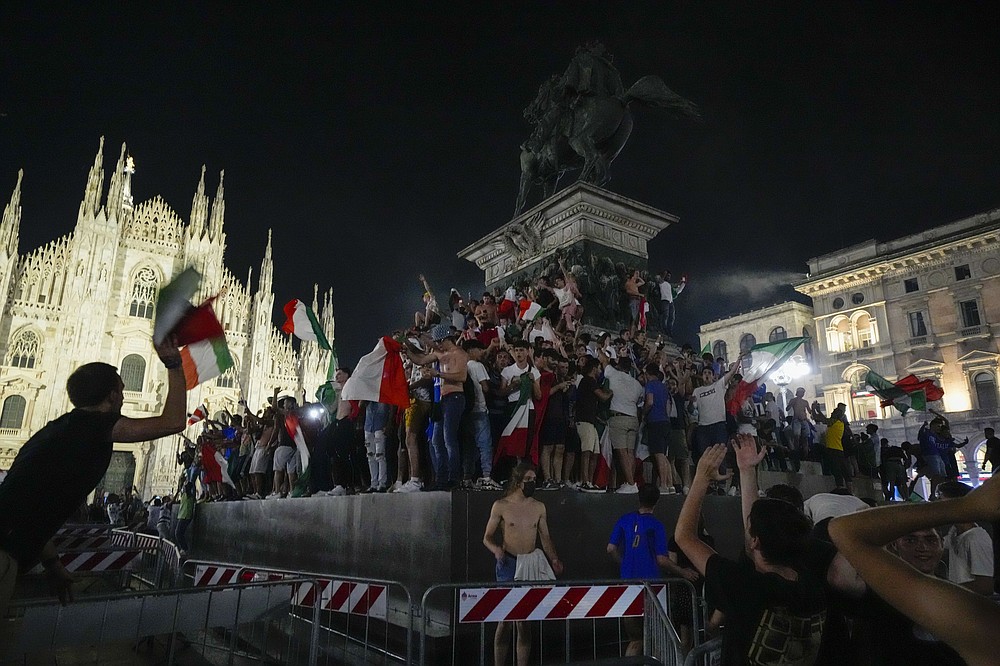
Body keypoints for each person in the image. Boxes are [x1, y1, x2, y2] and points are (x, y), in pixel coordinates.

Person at [0, 337, 187, 614]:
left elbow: (32, 505)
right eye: (122, 390)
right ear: (111, 396)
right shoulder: (93, 427)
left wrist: (52, 563)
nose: (124, 396)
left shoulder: (57, 430)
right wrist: (173, 363)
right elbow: (173, 422)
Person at [676, 443, 827, 665]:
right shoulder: (813, 582)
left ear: (755, 541)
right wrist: (747, 471)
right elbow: (756, 539)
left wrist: (700, 478)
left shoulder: (744, 586)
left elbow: (684, 537)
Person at [829, 473, 1000, 666]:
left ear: (941, 545)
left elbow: (847, 531)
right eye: (910, 540)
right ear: (894, 545)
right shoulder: (883, 591)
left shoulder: (963, 607)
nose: (922, 548)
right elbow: (841, 572)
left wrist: (966, 506)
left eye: (930, 540)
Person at [482, 463, 563, 666]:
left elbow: (545, 537)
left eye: (534, 479)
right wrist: (496, 550)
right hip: (508, 563)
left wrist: (554, 559)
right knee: (505, 620)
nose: (532, 483)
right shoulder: (501, 506)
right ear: (518, 481)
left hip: (529, 564)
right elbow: (487, 537)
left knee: (524, 621)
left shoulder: (538, 507)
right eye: (528, 480)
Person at [607, 484, 698, 656]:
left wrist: (624, 563)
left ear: (638, 498)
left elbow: (611, 548)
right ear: (657, 501)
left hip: (627, 586)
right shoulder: (656, 526)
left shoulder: (624, 519)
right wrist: (683, 572)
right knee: (656, 637)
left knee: (635, 640)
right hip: (652, 589)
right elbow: (662, 560)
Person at [404, 324, 469, 490]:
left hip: (455, 397)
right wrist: (406, 348)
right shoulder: (441, 354)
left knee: (449, 439)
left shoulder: (460, 354)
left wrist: (438, 374)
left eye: (440, 341)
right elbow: (419, 360)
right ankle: (441, 479)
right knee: (436, 440)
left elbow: (462, 376)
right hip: (442, 400)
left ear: (448, 339)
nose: (438, 345)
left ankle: (454, 479)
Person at [935, 480, 994, 595]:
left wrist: (946, 591)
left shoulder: (975, 538)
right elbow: (939, 548)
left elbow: (985, 586)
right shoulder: (954, 532)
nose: (937, 506)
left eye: (940, 500)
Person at [598, 352, 644, 493]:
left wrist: (602, 349)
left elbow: (603, 359)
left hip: (618, 418)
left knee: (622, 452)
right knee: (630, 452)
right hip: (633, 418)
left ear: (618, 365)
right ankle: (630, 483)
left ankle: (630, 484)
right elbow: (640, 403)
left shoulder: (613, 374)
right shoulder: (637, 384)